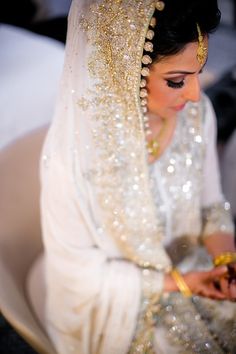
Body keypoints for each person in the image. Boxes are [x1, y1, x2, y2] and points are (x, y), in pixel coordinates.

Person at [31, 0, 236, 353]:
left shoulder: (196, 116)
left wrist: (226, 263)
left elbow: (211, 205)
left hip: (196, 269)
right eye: (177, 81)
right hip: (123, 301)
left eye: (198, 73)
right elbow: (76, 274)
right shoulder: (77, 157)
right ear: (124, 70)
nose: (196, 94)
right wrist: (178, 283)